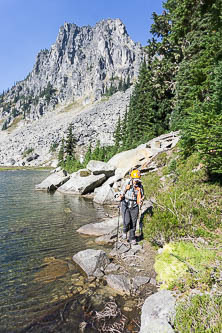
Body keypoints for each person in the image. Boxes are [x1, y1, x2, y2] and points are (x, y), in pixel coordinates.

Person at [120, 169, 144, 245]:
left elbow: (142, 196)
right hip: (126, 204)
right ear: (131, 178)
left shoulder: (140, 186)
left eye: (137, 180)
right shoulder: (127, 183)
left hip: (134, 206)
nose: (136, 182)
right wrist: (122, 195)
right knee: (127, 221)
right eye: (135, 180)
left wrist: (141, 201)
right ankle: (124, 231)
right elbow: (121, 192)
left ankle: (132, 238)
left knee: (133, 223)